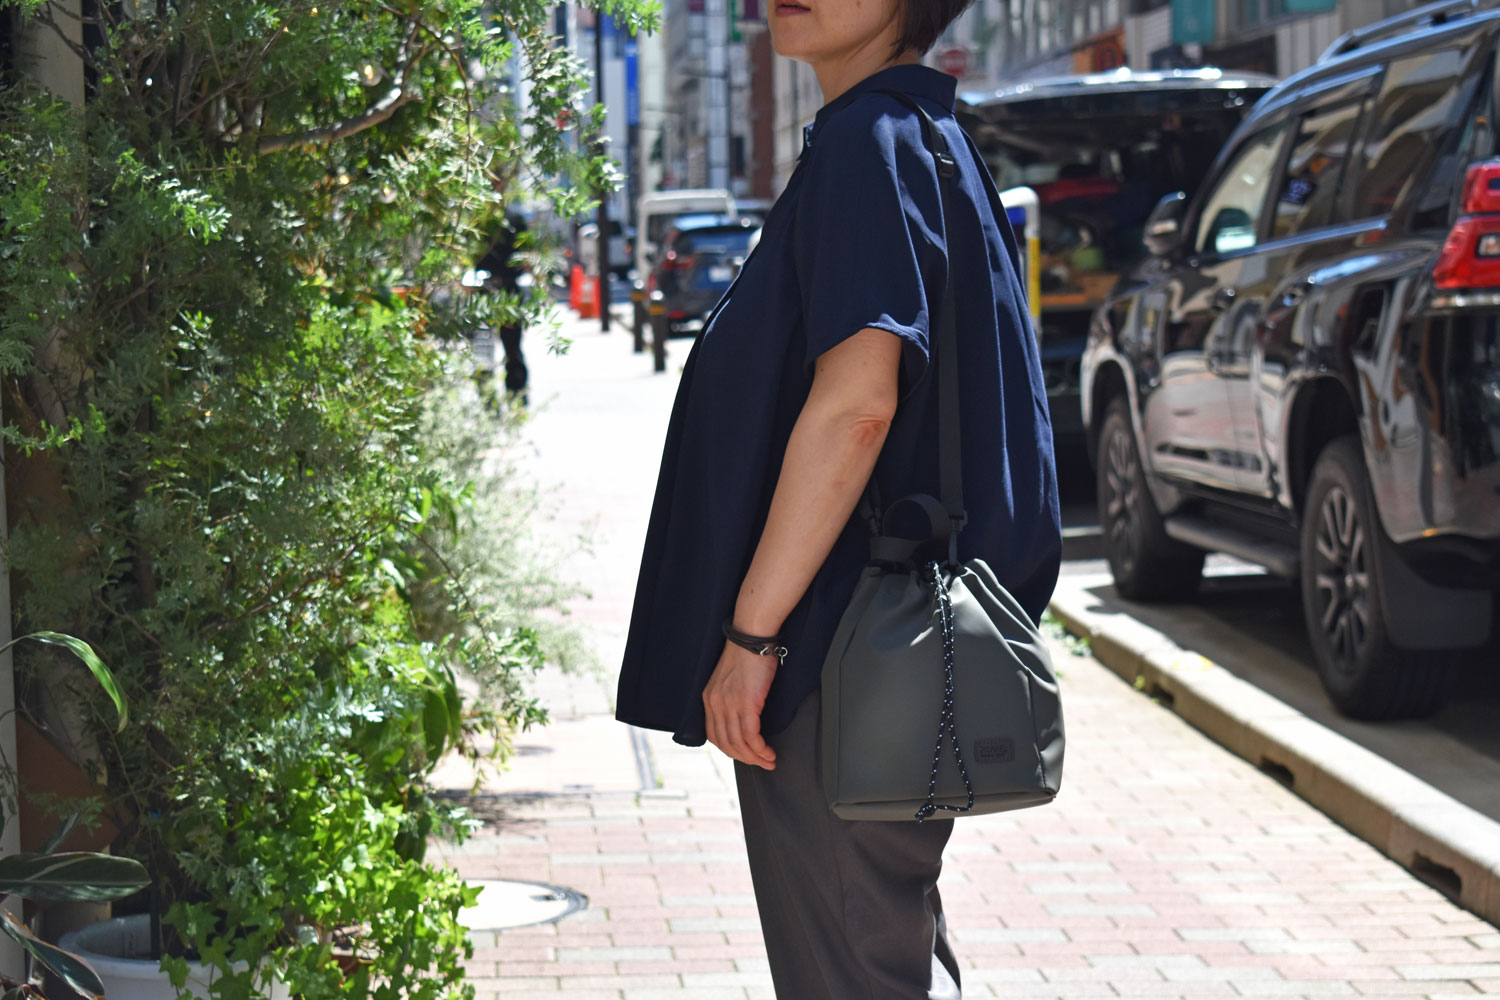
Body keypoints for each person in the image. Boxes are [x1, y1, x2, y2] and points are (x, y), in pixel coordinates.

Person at [615, 0, 1062, 995]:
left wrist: (752, 637)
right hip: (887, 648)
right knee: (882, 948)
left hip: (838, 655)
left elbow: (858, 405)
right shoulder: (926, 134)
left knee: (850, 969)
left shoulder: (870, 140)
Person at [477, 210, 530, 397]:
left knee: (513, 349)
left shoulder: (515, 220)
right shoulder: (477, 219)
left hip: (509, 291)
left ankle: (517, 395)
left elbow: (526, 257)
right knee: (482, 348)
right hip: (482, 292)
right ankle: (488, 398)